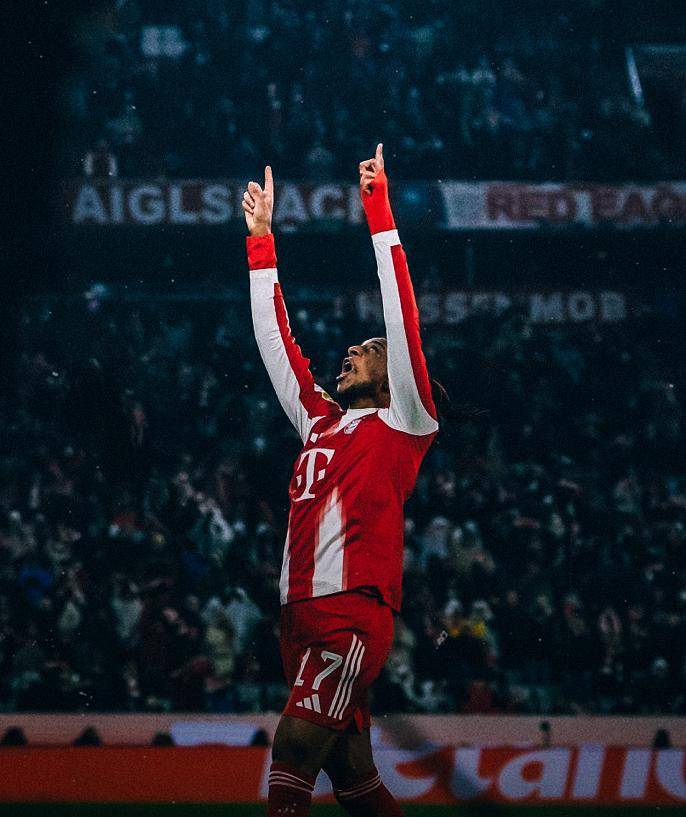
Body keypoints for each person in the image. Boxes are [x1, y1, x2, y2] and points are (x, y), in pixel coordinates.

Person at [242, 144, 438, 817]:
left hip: (349, 613)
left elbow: (402, 317)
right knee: (353, 778)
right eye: (356, 346)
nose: (353, 349)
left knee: (294, 750)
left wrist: (379, 213)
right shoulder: (320, 421)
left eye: (369, 349)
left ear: (392, 376)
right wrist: (261, 243)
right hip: (298, 615)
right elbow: (276, 343)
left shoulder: (404, 421)